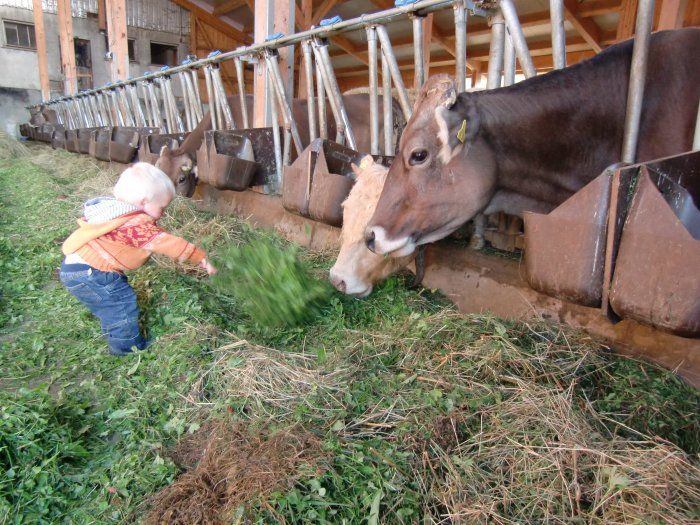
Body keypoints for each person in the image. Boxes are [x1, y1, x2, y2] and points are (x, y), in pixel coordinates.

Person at [59, 162, 216, 356]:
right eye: (162, 207)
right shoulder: (135, 224)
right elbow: (167, 242)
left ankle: (114, 331)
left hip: (76, 269)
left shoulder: (115, 212)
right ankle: (126, 349)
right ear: (143, 202)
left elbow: (151, 234)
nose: (164, 213)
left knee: (111, 303)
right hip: (93, 273)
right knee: (120, 305)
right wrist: (201, 257)